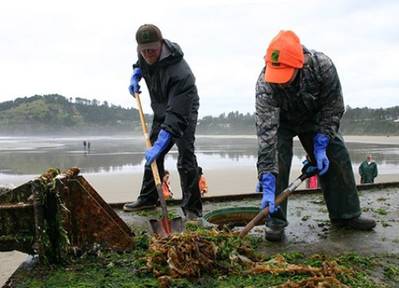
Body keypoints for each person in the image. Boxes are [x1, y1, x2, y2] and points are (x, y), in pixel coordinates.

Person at [255, 30, 376, 242]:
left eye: (285, 75)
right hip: (281, 123)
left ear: (298, 64)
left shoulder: (323, 67)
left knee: (336, 152)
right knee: (276, 161)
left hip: (315, 119)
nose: (280, 82)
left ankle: (346, 215)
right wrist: (266, 174)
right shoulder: (265, 83)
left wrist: (321, 143)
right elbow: (266, 132)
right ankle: (275, 221)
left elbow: (334, 106)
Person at [123, 24, 202, 219]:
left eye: (152, 50)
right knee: (153, 156)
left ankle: (192, 209)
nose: (148, 54)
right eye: (144, 50)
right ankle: (148, 199)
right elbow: (140, 63)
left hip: (184, 109)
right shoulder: (143, 53)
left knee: (185, 156)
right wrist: (136, 75)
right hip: (161, 108)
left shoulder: (181, 72)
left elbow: (175, 116)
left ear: (162, 45)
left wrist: (162, 141)